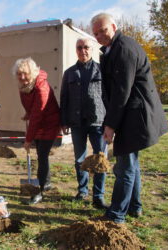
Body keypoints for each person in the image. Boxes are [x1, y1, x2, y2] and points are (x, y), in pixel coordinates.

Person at [91, 13, 168, 223]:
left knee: (124, 167)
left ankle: (116, 215)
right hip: (131, 114)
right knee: (131, 164)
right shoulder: (113, 49)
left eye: (103, 31)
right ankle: (135, 206)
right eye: (95, 33)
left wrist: (110, 125)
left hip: (134, 116)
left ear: (114, 27)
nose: (99, 36)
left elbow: (121, 92)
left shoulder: (123, 49)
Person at [60, 38, 108, 209]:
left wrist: (110, 122)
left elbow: (108, 97)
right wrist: (64, 121)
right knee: (80, 159)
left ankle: (98, 196)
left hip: (98, 122)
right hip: (77, 122)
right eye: (79, 48)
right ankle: (82, 191)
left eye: (86, 47)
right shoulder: (69, 73)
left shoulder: (102, 70)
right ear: (76, 50)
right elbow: (64, 98)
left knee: (100, 159)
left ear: (92, 49)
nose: (83, 51)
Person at [12, 57, 61, 204]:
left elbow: (38, 113)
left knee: (42, 155)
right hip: (38, 121)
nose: (22, 77)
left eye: (25, 73)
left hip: (49, 123)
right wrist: (28, 113)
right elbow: (32, 108)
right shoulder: (23, 86)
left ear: (32, 72)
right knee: (42, 155)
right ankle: (46, 183)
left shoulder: (42, 87)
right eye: (19, 74)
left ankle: (39, 191)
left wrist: (28, 139)